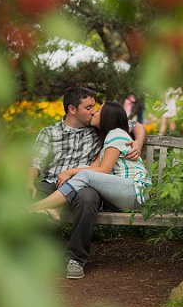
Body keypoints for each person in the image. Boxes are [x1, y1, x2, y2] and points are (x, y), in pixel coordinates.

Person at [27, 87, 145, 280]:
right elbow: (36, 161)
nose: (93, 111)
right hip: (52, 182)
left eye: (95, 108)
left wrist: (138, 143)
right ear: (72, 109)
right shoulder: (49, 132)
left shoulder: (98, 128)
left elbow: (134, 124)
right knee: (24, 193)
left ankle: (75, 259)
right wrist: (29, 181)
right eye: (88, 107)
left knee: (89, 197)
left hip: (84, 185)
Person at [30, 101, 152, 224]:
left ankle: (36, 207)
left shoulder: (116, 134)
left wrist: (70, 171)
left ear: (107, 116)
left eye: (98, 111)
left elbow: (104, 170)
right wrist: (72, 175)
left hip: (136, 193)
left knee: (84, 175)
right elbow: (93, 167)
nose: (94, 112)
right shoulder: (108, 138)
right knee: (84, 170)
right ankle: (55, 209)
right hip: (125, 194)